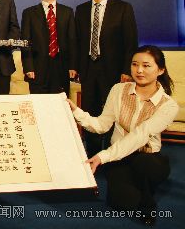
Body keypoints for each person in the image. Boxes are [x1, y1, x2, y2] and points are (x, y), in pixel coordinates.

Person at [68, 46, 178, 225]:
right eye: (135, 64)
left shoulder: (168, 105)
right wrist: (76, 111)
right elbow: (102, 125)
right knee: (120, 202)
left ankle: (148, 202)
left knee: (146, 166)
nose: (139, 70)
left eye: (146, 65)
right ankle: (138, 187)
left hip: (147, 157)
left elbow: (140, 135)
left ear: (160, 70)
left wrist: (102, 157)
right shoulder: (119, 90)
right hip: (119, 157)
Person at [75, 0, 138, 156]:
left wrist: (127, 70)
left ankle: (112, 154)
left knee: (113, 112)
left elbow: (131, 42)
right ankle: (93, 154)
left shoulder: (123, 8)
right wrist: (77, 68)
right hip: (88, 68)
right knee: (90, 111)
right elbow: (77, 41)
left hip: (113, 70)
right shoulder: (81, 9)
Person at [21, 0, 77, 94]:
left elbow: (72, 41)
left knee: (60, 102)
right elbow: (25, 42)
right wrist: (28, 67)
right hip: (37, 68)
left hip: (62, 67)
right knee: (39, 103)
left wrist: (73, 66)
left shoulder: (67, 12)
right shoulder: (29, 13)